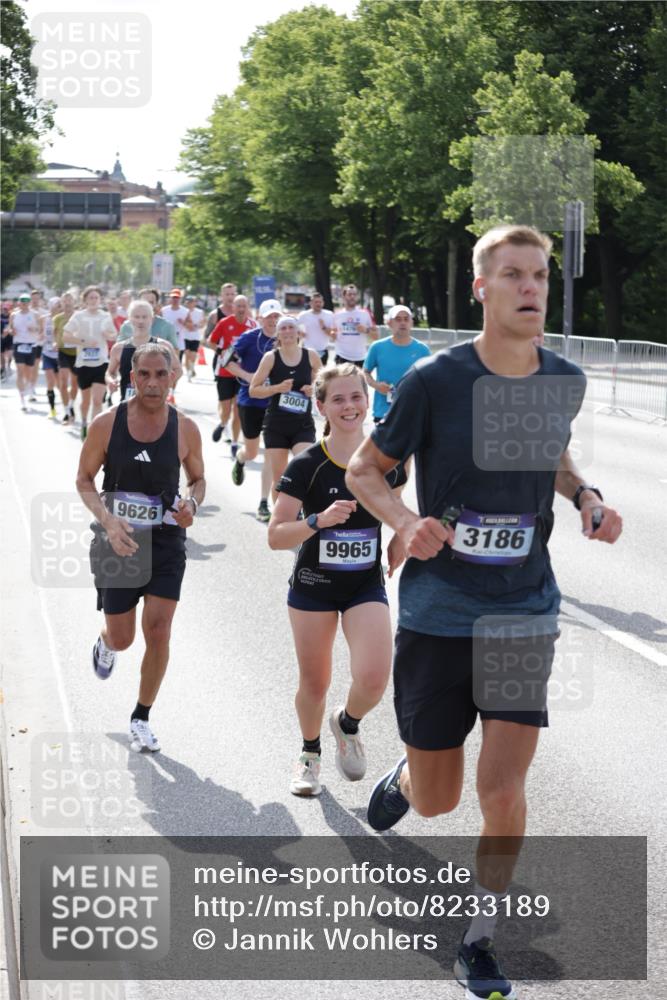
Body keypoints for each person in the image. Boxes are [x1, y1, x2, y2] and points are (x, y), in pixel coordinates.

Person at [346, 224, 623, 1000]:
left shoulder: (561, 379)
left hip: (522, 608)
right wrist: (404, 522)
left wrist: (585, 497)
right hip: (438, 610)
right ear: (481, 288)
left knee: (500, 790)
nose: (530, 287)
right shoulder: (436, 381)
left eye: (538, 275)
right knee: (439, 798)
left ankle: (479, 937)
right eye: (512, 274)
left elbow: (555, 454)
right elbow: (367, 468)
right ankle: (409, 773)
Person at [268, 363, 400, 796]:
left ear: (367, 401)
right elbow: (276, 534)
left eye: (356, 397)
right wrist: (317, 521)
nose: (349, 406)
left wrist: (400, 535)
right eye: (338, 399)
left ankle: (347, 723)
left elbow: (394, 506)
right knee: (315, 682)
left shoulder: (387, 458)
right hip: (313, 586)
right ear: (321, 406)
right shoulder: (307, 465)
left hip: (364, 583)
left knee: (375, 677)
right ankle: (309, 756)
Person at [76, 343, 205, 753]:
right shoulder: (105, 424)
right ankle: (105, 642)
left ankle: (141, 716)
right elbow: (83, 479)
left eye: (160, 375)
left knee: (159, 629)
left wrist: (193, 504)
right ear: (132, 377)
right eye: (144, 375)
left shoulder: (185, 427)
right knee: (124, 637)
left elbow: (198, 479)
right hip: (119, 541)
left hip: (166, 539)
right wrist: (109, 522)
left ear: (172, 377)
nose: (152, 383)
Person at [249, 314, 321, 501]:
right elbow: (253, 390)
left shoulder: (311, 356)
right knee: (280, 478)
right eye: (283, 328)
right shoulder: (270, 358)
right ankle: (279, 522)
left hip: (302, 424)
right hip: (276, 425)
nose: (287, 331)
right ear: (278, 335)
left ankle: (301, 512)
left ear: (298, 332)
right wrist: (277, 388)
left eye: (291, 327)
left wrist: (313, 388)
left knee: (304, 466)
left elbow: (324, 384)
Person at [226, 299, 281, 522]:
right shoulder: (249, 338)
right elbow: (227, 361)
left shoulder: (287, 339)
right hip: (250, 402)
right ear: (260, 318)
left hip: (276, 404)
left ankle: (263, 503)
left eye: (277, 317)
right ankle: (240, 459)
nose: (273, 321)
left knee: (270, 454)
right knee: (251, 452)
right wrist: (250, 377)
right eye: (269, 317)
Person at [64, 285, 117, 439]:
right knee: (85, 401)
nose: (94, 300)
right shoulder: (78, 316)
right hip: (83, 364)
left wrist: (107, 334)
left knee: (97, 400)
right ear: (85, 300)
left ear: (100, 300)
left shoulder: (105, 316)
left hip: (101, 363)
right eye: (91, 298)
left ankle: (95, 431)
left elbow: (114, 335)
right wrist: (83, 341)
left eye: (96, 298)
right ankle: (84, 423)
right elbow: (66, 336)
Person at [363, 304, 430, 424]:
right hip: (383, 411)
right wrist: (376, 385)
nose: (403, 323)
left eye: (406, 319)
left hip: (413, 411)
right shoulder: (377, 347)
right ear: (389, 323)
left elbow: (431, 379)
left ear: (411, 323)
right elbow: (365, 372)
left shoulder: (422, 349)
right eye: (398, 319)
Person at [206, 294, 254, 454]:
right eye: (238, 306)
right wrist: (223, 352)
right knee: (226, 410)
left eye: (244, 306)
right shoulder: (224, 322)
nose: (241, 309)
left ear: (248, 308)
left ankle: (234, 443)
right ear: (233, 307)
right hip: (225, 372)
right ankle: (222, 424)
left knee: (238, 410)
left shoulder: (252, 326)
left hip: (243, 374)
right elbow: (210, 342)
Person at [106, 301, 181, 402]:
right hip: (128, 404)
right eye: (136, 317)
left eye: (144, 317)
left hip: (156, 404)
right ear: (129, 319)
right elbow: (110, 372)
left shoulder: (163, 346)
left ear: (151, 319)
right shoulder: (119, 348)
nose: (140, 321)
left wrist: (163, 384)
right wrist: (111, 381)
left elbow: (178, 370)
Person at [8, 293, 43, 410]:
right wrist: (11, 331)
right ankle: (22, 397)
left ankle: (29, 387)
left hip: (31, 344)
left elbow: (40, 329)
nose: (24, 303)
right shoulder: (14, 315)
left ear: (29, 302)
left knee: (29, 371)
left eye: (26, 301)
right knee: (20, 370)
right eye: (22, 301)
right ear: (19, 302)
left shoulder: (35, 314)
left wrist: (35, 329)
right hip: (18, 344)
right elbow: (10, 328)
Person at [332, 283, 378, 367]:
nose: (352, 296)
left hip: (360, 358)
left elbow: (376, 336)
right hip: (342, 356)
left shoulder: (365, 314)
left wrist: (366, 330)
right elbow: (333, 334)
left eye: (354, 294)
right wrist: (333, 335)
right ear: (344, 296)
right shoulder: (337, 315)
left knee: (360, 380)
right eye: (349, 294)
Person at [53, 290, 79, 424]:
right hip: (63, 351)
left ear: (74, 302)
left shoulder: (80, 316)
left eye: (70, 300)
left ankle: (71, 405)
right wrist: (55, 343)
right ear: (62, 303)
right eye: (65, 300)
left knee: (74, 384)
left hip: (77, 353)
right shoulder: (57, 318)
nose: (67, 302)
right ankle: (66, 412)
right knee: (63, 383)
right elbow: (55, 333)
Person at [42, 296, 64, 418]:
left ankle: (66, 407)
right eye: (57, 304)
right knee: (50, 381)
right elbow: (41, 332)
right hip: (47, 353)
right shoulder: (44, 319)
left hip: (60, 355)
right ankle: (52, 409)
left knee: (60, 384)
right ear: (51, 306)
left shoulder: (63, 319)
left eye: (60, 305)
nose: (59, 307)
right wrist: (40, 336)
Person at [297, 291, 334, 364]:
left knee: (321, 374)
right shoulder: (304, 315)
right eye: (316, 302)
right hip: (307, 350)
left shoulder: (329, 315)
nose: (318, 304)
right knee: (307, 374)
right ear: (310, 303)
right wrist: (299, 332)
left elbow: (332, 334)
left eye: (320, 302)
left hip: (323, 350)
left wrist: (323, 327)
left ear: (323, 303)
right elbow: (293, 324)